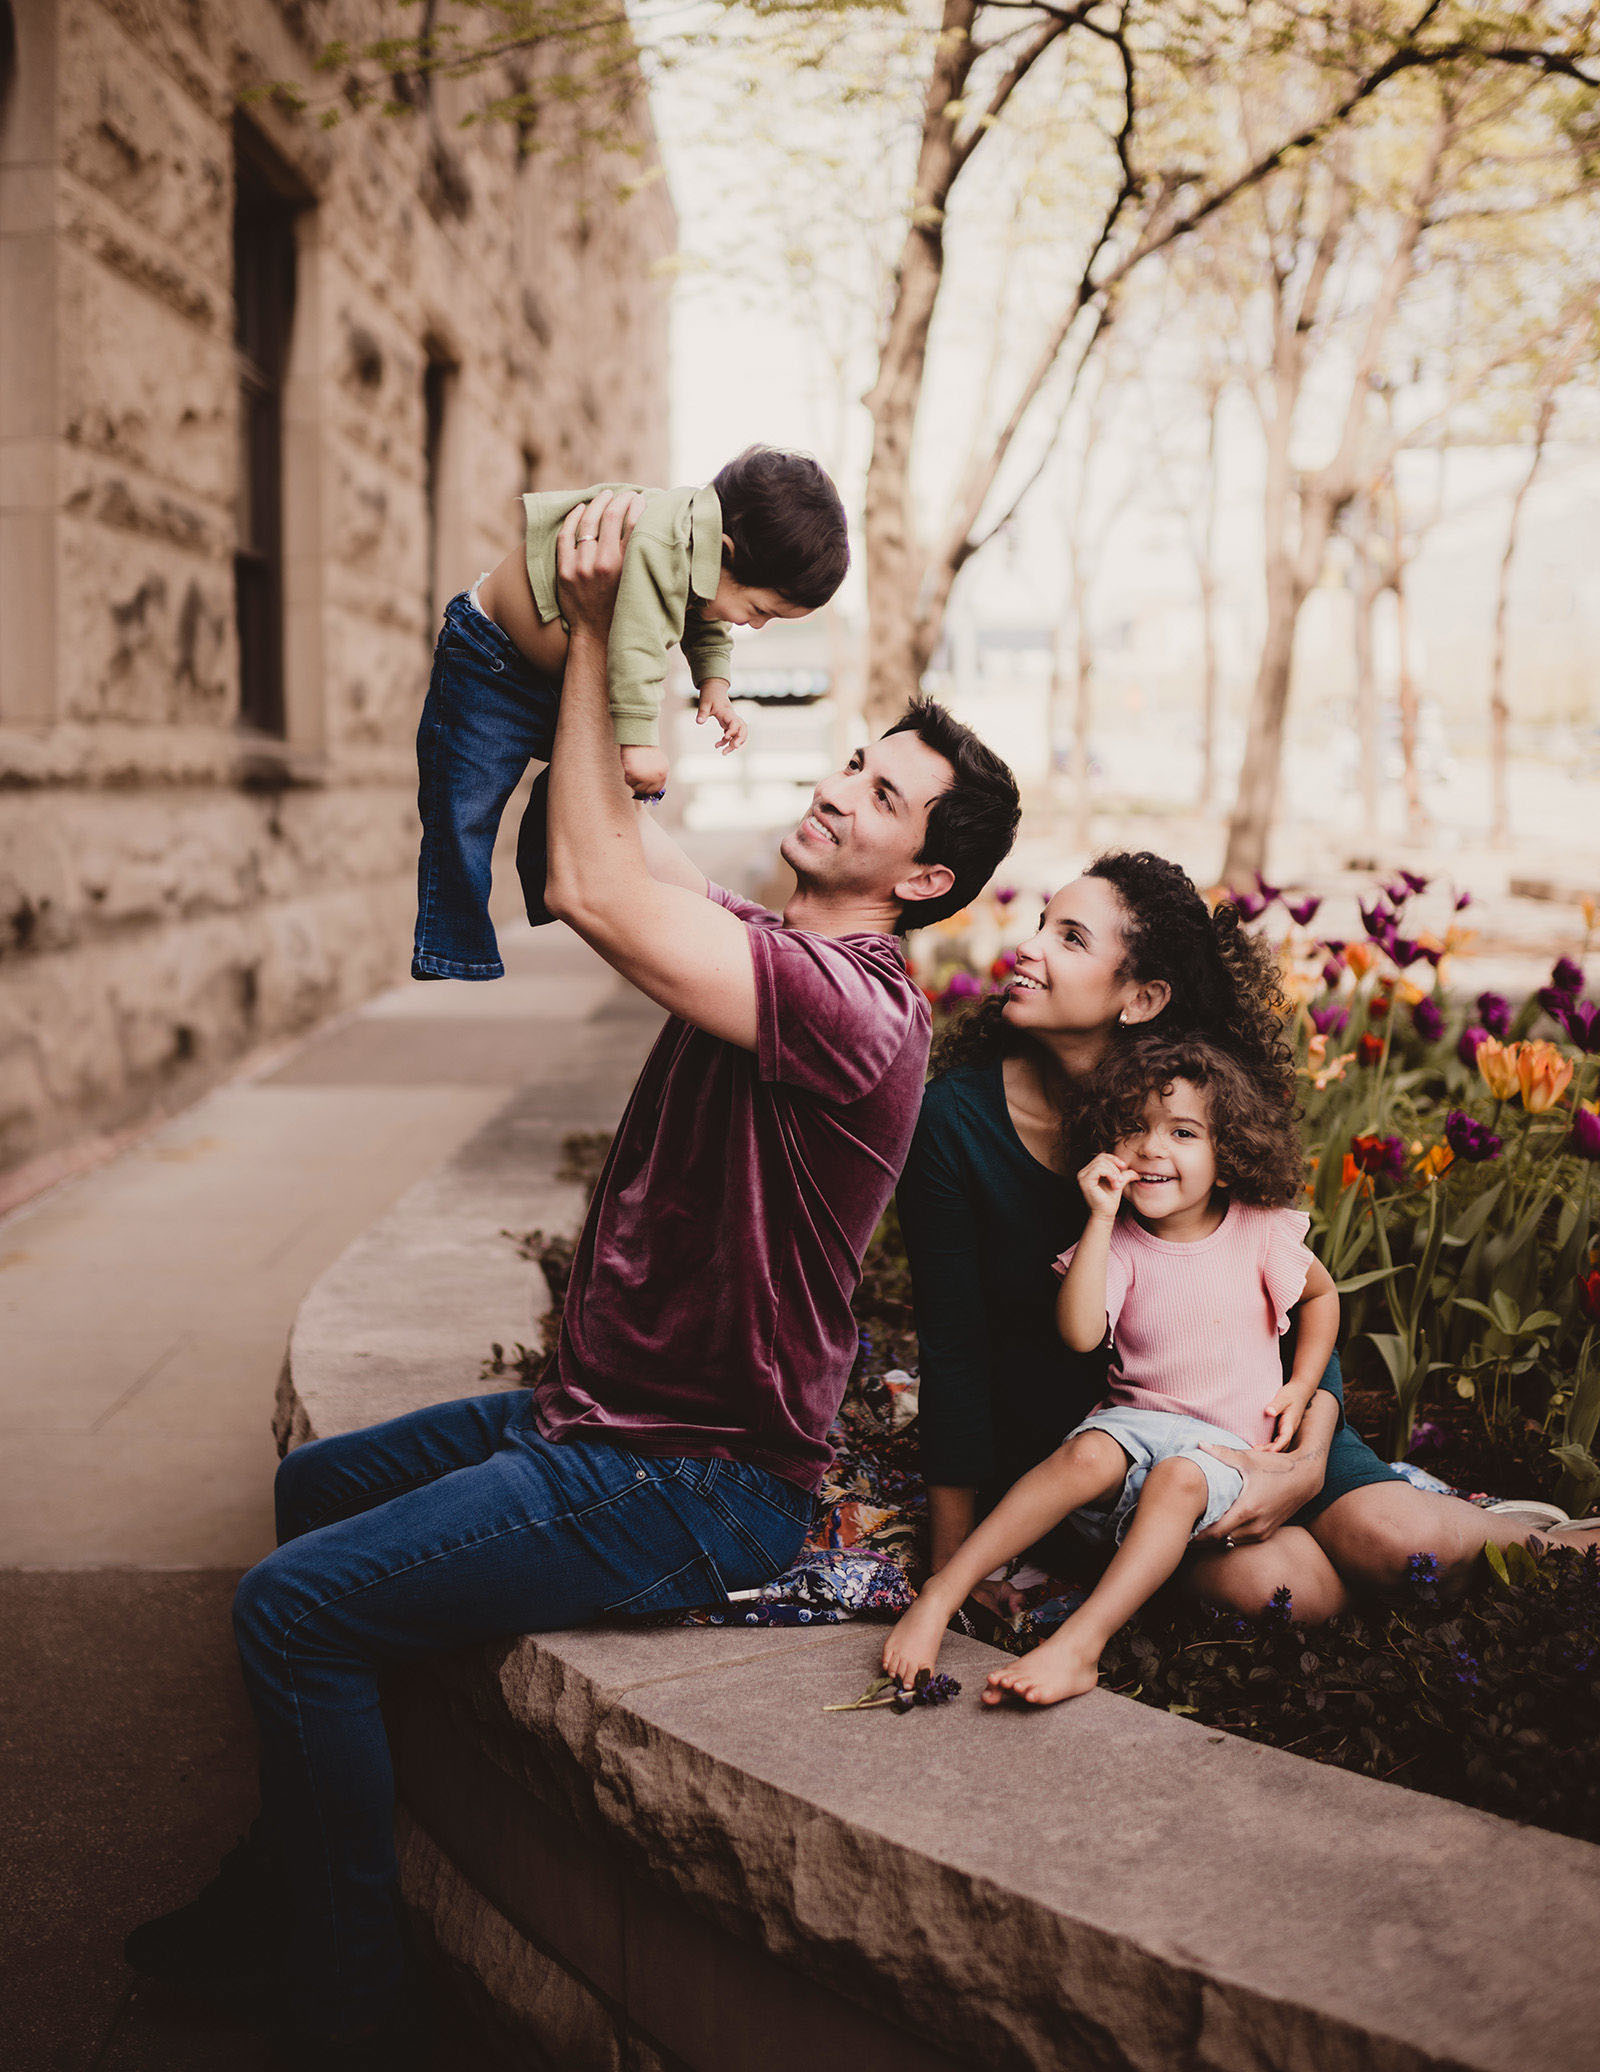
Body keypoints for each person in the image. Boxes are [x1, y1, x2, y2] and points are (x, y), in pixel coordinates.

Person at [125, 490, 1020, 2068]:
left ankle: (347, 2006)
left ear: (928, 881)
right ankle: (297, 1889)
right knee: (316, 1497)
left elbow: (600, 892)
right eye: (855, 762)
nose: (840, 790)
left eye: (881, 798)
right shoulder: (765, 939)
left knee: (294, 1615)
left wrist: (608, 628)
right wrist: (600, 622)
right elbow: (582, 846)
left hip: (691, 1471)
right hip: (595, 1416)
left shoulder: (857, 1012)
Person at [904, 850, 1569, 1627]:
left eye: (1072, 938)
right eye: (1042, 926)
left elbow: (1282, 1286)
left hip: (1256, 1418)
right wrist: (952, 1564)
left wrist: (1308, 1453)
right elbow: (952, 1351)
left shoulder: (1201, 1104)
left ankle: (1555, 1545)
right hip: (1110, 1461)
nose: (1030, 947)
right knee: (1288, 1595)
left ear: (1142, 996)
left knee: (1394, 1543)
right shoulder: (954, 1122)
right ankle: (1412, 1553)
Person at [886, 1037, 1341, 1705]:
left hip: (1225, 1453)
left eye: (1183, 1132)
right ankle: (943, 1591)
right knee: (1085, 1453)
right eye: (1135, 1128)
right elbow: (1080, 1333)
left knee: (1181, 1478)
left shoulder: (1259, 1229)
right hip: (1140, 1429)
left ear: (1227, 1157)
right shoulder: (1120, 1241)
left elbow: (1322, 1297)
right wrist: (1100, 1220)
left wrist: (1302, 1384)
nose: (1152, 1147)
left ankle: (1081, 1645)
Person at [412, 442, 849, 979]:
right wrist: (641, 742)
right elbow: (638, 647)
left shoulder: (703, 558)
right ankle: (451, 945)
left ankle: (553, 875)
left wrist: (714, 682)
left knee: (597, 789)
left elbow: (706, 616)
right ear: (727, 551)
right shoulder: (664, 542)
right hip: (491, 664)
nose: (755, 625)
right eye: (760, 611)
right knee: (464, 803)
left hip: (552, 683)